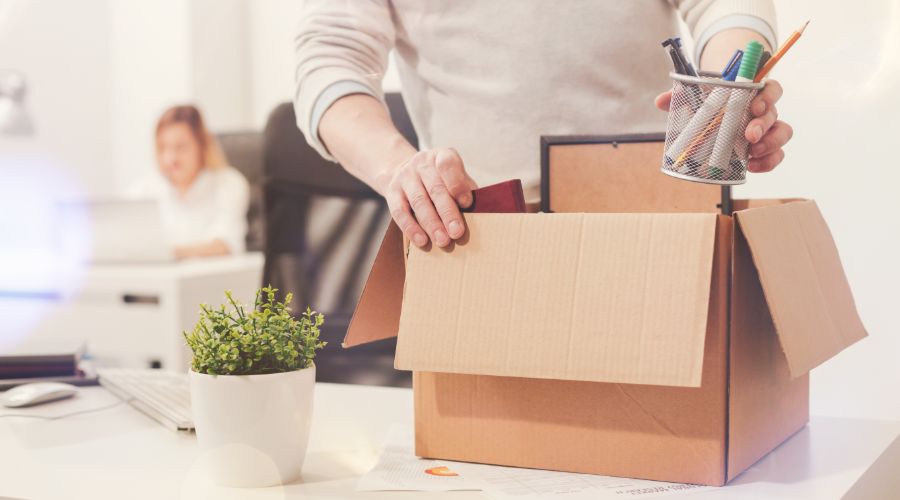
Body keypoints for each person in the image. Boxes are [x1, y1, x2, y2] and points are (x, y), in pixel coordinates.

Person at [294, 1, 792, 249]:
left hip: (657, 225)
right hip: (481, 234)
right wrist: (397, 169)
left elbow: (727, 8)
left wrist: (728, 96)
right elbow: (330, 60)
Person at [131, 105, 250, 259]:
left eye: (180, 147)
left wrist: (168, 254)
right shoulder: (145, 189)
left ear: (202, 145)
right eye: (163, 148)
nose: (171, 158)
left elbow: (225, 244)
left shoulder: (229, 184)